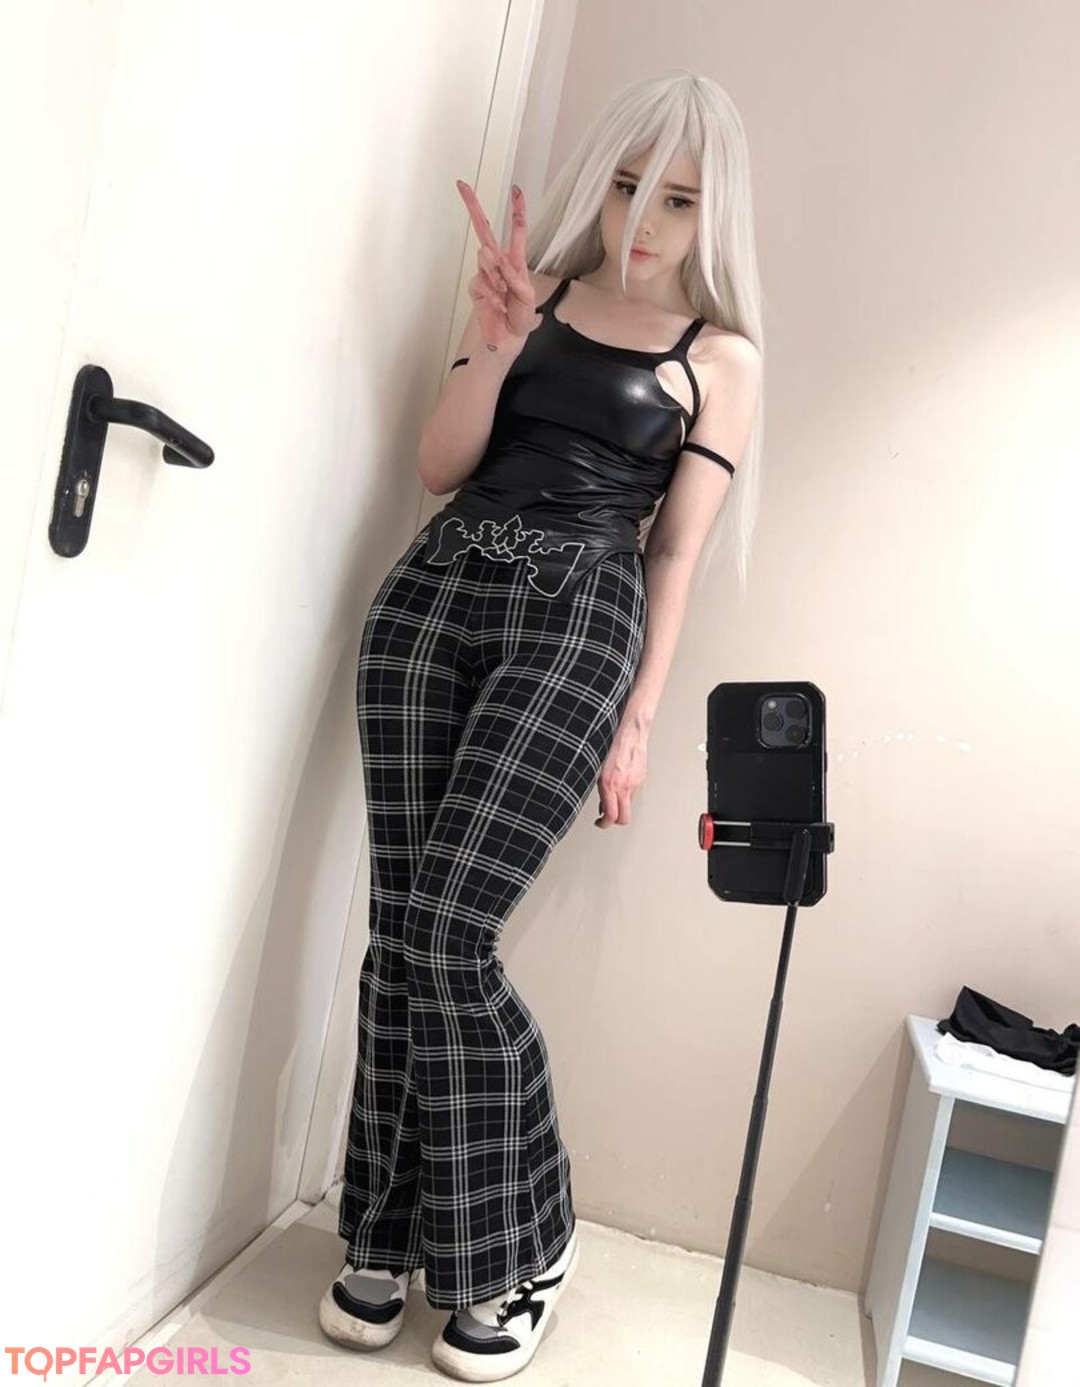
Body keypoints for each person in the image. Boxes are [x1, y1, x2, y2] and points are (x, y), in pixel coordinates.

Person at [317, 69, 764, 1381]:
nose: (644, 220)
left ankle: (523, 1238)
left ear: (715, 214)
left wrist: (639, 723)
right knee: (402, 930)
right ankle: (382, 1234)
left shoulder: (720, 359)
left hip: (581, 621)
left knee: (452, 934)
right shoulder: (539, 296)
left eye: (677, 199)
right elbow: (438, 465)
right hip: (434, 596)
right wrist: (497, 341)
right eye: (628, 186)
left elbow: (673, 555)